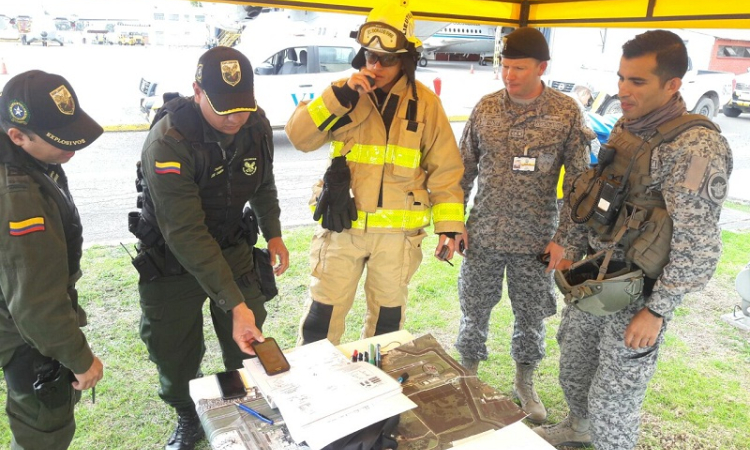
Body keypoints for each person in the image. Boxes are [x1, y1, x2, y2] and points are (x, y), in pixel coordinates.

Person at [534, 30, 733, 449]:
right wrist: (569, 245)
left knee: (615, 400)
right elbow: (594, 191)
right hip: (596, 273)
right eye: (622, 78)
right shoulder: (628, 125)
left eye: (637, 81)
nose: (623, 90)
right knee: (574, 366)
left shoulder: (697, 147)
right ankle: (577, 428)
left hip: (640, 291)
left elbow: (698, 245)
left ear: (672, 84)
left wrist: (658, 311)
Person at [132, 46, 289, 450]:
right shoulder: (168, 140)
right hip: (171, 258)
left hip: (232, 245)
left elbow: (263, 179)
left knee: (248, 339)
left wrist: (273, 232)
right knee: (173, 351)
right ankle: (188, 415)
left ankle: (243, 405)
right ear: (197, 92)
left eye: (243, 107)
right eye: (224, 109)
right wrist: (232, 302)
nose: (236, 118)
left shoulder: (253, 122)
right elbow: (185, 232)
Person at [285, 2, 465, 346]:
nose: (377, 66)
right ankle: (315, 390)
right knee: (320, 319)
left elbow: (445, 169)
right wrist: (339, 98)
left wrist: (449, 226)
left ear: (407, 59)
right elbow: (299, 138)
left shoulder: (426, 104)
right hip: (342, 228)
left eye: (388, 59)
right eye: (370, 56)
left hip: (396, 238)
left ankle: (378, 388)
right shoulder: (340, 93)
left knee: (386, 327)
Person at [454, 27, 593, 424]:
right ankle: (468, 375)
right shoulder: (486, 108)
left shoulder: (565, 111)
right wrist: (453, 223)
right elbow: (462, 169)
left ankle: (524, 383)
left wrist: (564, 239)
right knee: (474, 309)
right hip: (483, 233)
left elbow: (579, 184)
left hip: (537, 238)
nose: (509, 75)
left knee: (531, 315)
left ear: (542, 67)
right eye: (505, 66)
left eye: (519, 67)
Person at [0, 70, 105, 449]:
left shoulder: (30, 160)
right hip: (26, 337)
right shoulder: (18, 194)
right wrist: (79, 358)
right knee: (43, 431)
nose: (71, 150)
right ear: (17, 136)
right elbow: (35, 302)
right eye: (60, 140)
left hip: (22, 321)